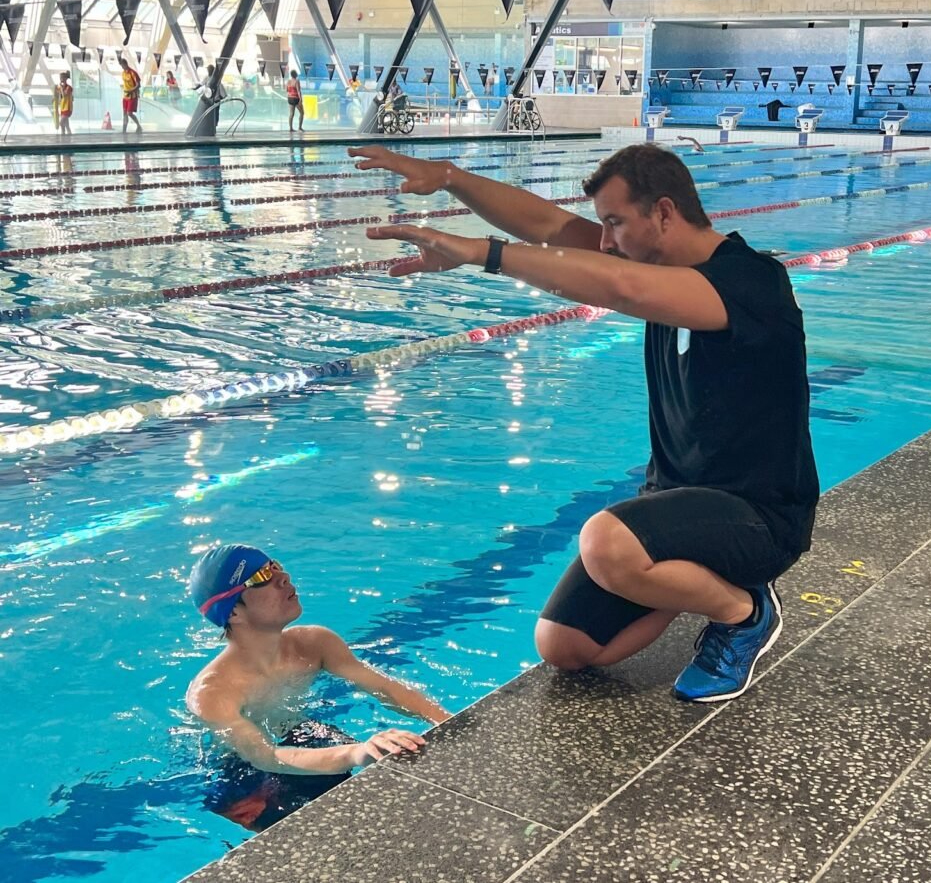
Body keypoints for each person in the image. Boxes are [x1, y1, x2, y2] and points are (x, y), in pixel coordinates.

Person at [348, 142, 819, 703]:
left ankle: (746, 613)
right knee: (564, 646)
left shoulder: (750, 283)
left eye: (615, 222)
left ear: (664, 213)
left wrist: (482, 253)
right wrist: (450, 178)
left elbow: (621, 287)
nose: (603, 241)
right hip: (676, 501)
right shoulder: (652, 260)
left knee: (605, 541)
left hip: (758, 514)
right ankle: (693, 576)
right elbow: (548, 224)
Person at [186, 544, 448, 829]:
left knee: (377, 775)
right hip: (244, 775)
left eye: (275, 565)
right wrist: (356, 753)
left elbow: (386, 688)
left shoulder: (313, 644)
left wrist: (445, 720)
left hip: (296, 737)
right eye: (261, 577)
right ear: (233, 611)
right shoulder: (213, 692)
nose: (283, 577)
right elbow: (265, 756)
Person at [195, 63, 226, 130]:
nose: (208, 71)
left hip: (216, 99)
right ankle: (209, 125)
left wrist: (223, 96)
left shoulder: (216, 78)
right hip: (209, 99)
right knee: (209, 112)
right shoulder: (207, 77)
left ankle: (214, 125)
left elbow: (220, 87)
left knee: (215, 113)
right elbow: (202, 84)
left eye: (208, 69)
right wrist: (196, 88)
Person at [119, 57, 142, 133]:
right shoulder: (123, 73)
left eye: (122, 65)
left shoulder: (133, 73)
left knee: (129, 113)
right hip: (125, 96)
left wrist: (131, 90)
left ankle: (138, 125)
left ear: (125, 64)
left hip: (132, 96)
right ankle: (124, 130)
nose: (122, 67)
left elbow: (138, 85)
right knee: (124, 113)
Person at [55, 71, 73, 136]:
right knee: (66, 125)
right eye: (60, 78)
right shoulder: (60, 87)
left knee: (61, 123)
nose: (60, 79)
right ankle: (67, 135)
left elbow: (64, 95)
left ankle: (63, 134)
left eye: (62, 78)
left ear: (65, 78)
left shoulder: (69, 87)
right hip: (62, 107)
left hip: (67, 107)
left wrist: (61, 88)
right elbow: (58, 94)